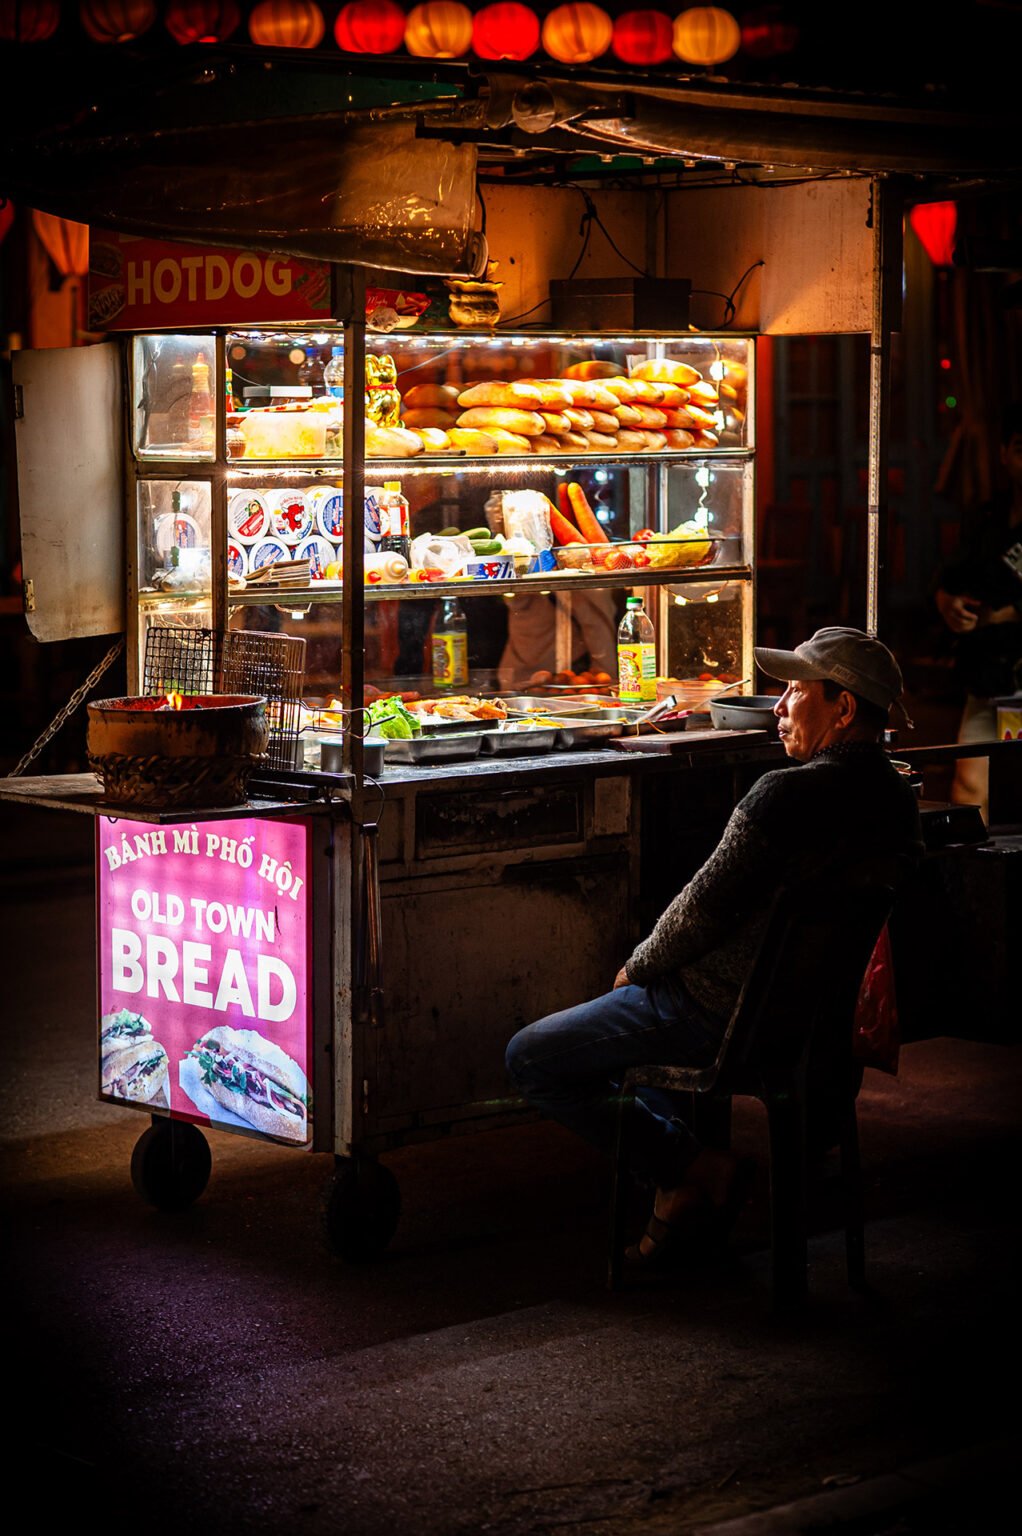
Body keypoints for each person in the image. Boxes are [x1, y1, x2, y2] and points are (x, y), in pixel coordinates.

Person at [505, 627, 924, 1264]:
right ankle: (679, 1188)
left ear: (842, 709)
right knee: (630, 1036)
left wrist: (637, 966)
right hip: (808, 1022)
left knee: (532, 1057)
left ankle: (693, 1168)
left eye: (794, 692)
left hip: (714, 1015)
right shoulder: (896, 799)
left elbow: (700, 910)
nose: (779, 708)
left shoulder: (782, 795)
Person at [934, 404, 1022, 822]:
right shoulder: (988, 516)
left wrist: (1002, 615)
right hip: (989, 676)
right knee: (969, 790)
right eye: (1021, 448)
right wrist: (947, 604)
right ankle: (976, 881)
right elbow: (948, 582)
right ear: (1004, 453)